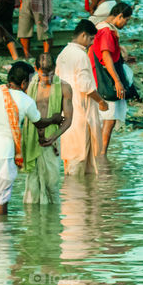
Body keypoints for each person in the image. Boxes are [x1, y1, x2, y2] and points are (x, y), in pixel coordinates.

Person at [0, 62, 57, 214]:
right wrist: (53, 119)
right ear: (24, 83)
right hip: (4, 152)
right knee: (1, 198)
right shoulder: (26, 101)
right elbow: (39, 123)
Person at [56, 20, 108, 175]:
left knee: (73, 158)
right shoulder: (80, 55)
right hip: (81, 113)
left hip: (67, 112)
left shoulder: (63, 54)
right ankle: (78, 195)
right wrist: (101, 101)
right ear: (84, 35)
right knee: (79, 159)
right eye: (91, 39)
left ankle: (80, 195)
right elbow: (85, 86)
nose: (92, 43)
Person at [21, 54, 73, 204]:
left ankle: (52, 222)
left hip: (52, 141)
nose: (48, 78)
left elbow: (68, 119)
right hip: (32, 139)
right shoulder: (29, 85)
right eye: (44, 75)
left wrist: (55, 136)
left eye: (51, 74)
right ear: (36, 70)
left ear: (55, 70)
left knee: (52, 183)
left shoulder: (64, 87)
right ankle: (33, 223)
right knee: (32, 185)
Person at [90, 2, 134, 156]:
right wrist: (117, 81)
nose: (126, 24)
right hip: (106, 79)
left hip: (99, 77)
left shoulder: (101, 28)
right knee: (109, 120)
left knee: (105, 119)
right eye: (126, 20)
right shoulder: (107, 31)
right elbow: (106, 56)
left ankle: (98, 154)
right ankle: (101, 156)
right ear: (119, 16)